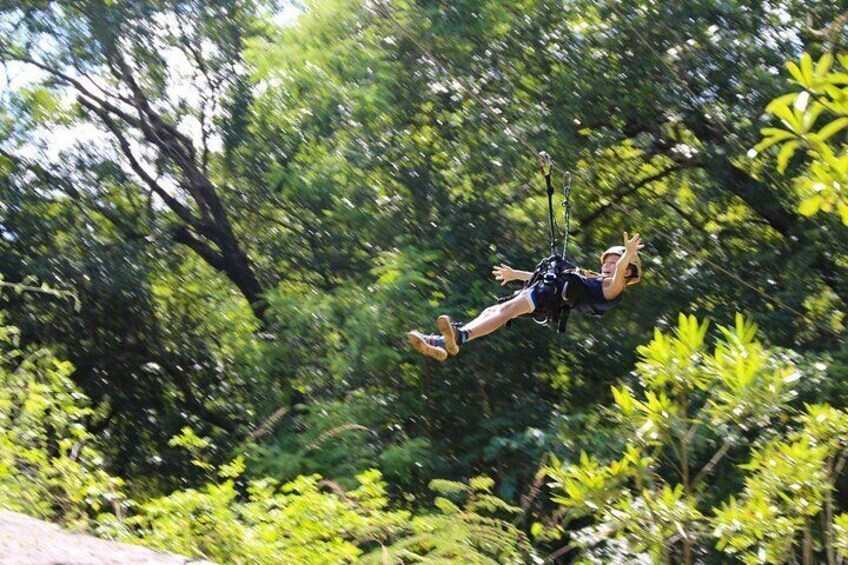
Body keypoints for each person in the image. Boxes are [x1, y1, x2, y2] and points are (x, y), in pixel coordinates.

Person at [407, 232, 643, 361]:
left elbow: (620, 272)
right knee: (493, 311)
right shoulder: (593, 279)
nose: (609, 266)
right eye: (608, 262)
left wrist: (628, 254)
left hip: (550, 298)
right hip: (545, 292)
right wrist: (515, 274)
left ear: (628, 271)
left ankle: (459, 336)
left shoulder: (612, 291)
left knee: (504, 311)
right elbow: (545, 276)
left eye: (615, 263)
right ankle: (439, 341)